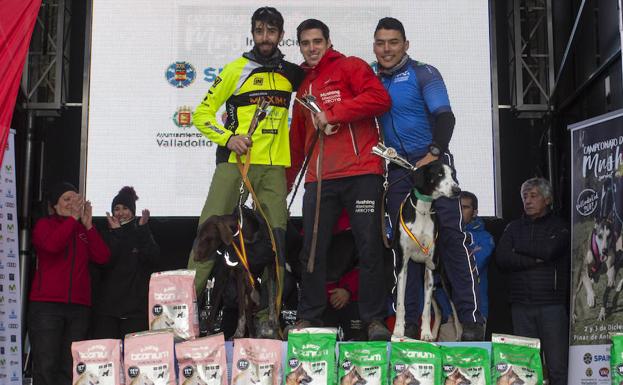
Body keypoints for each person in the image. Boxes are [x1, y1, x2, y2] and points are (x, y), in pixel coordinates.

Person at [188, 7, 304, 338]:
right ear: (252, 33)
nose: (265, 37)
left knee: (276, 241)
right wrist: (229, 137)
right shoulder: (236, 70)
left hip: (273, 169)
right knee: (208, 232)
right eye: (259, 31)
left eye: (271, 31)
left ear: (282, 35)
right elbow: (201, 114)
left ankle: (269, 317)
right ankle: (182, 312)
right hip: (235, 164)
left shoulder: (293, 75)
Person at [373, 17, 485, 340]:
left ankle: (472, 320)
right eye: (380, 43)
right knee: (404, 247)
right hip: (398, 169)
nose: (387, 49)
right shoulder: (370, 75)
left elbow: (445, 116)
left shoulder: (424, 72)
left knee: (451, 235)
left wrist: (435, 151)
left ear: (406, 44)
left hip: (432, 163)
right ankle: (407, 324)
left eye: (393, 42)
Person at [286, 19, 392, 340]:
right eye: (306, 43)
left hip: (362, 172)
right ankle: (310, 318)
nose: (312, 48)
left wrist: (333, 113)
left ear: (328, 41)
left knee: (370, 247)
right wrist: (286, 186)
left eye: (317, 41)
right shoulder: (302, 88)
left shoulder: (350, 67)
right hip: (320, 179)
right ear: (300, 47)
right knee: (312, 250)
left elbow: (379, 100)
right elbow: (296, 141)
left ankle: (374, 320)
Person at [28, 182, 110, 385]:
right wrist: (73, 219)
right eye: (67, 199)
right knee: (46, 365)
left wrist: (89, 225)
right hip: (47, 307)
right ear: (55, 205)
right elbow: (52, 246)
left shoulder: (82, 229)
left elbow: (103, 258)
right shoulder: (44, 225)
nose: (72, 204)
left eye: (76, 199)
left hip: (79, 308)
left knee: (71, 367)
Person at [496, 177, 569, 385]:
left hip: (551, 306)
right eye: (525, 196)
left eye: (533, 196)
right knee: (525, 367)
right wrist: (536, 260)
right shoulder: (513, 227)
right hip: (521, 306)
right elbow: (502, 258)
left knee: (557, 366)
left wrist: (518, 248)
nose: (528, 200)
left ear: (547, 199)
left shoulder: (559, 226)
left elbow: (550, 250)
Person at [91, 186, 160, 339]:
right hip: (108, 311)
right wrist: (117, 233)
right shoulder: (105, 235)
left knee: (133, 359)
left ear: (133, 211)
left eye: (125, 208)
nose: (120, 213)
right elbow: (105, 262)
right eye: (116, 208)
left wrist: (144, 229)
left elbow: (153, 258)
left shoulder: (140, 232)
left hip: (135, 310)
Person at [435, 191, 495, 341]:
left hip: (475, 315)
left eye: (464, 207)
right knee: (447, 362)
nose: (459, 212)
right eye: (456, 208)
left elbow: (468, 267)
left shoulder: (484, 238)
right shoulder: (438, 236)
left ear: (474, 212)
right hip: (446, 313)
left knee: (472, 362)